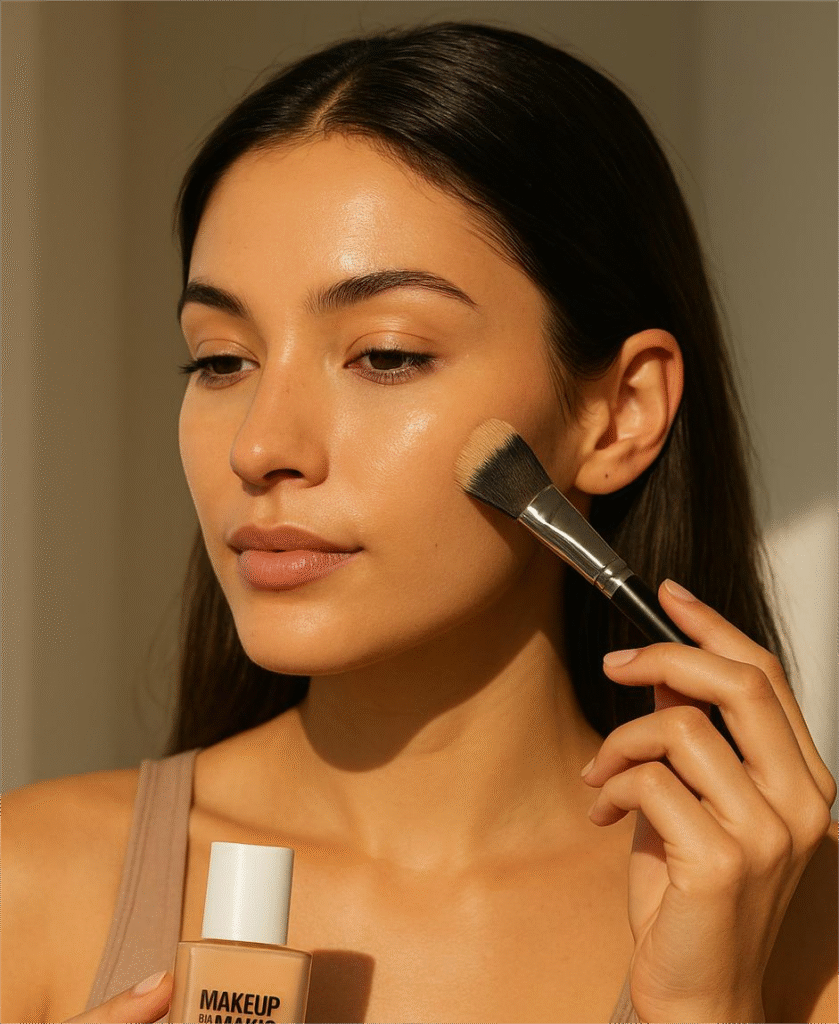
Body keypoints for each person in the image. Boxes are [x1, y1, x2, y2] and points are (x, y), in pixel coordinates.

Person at [2, 21, 836, 1024]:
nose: (260, 446)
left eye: (386, 354)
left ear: (618, 413)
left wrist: (710, 1007)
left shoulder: (795, 918)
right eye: (220, 358)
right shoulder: (30, 888)